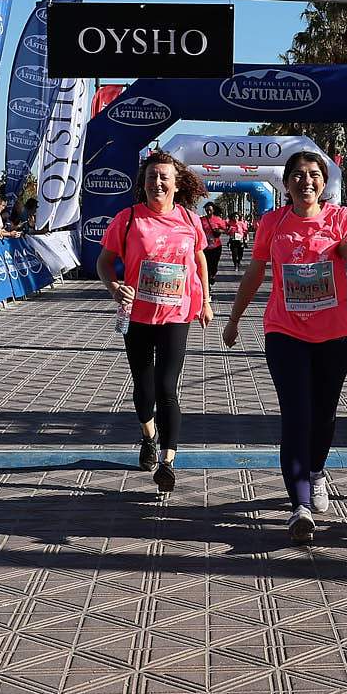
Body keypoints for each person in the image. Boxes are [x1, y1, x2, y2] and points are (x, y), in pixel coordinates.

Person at [221, 152, 347, 543]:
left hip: (334, 336)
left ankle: (316, 472)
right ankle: (299, 507)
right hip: (284, 332)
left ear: (324, 182)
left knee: (324, 416)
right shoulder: (273, 223)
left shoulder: (340, 217)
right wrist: (234, 319)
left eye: (314, 174)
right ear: (286, 184)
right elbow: (255, 272)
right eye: (297, 175)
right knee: (297, 417)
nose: (306, 181)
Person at [98, 151, 213, 491]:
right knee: (143, 388)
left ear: (176, 184)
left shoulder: (190, 220)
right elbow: (105, 262)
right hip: (137, 315)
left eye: (164, 177)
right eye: (151, 177)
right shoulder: (128, 219)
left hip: (176, 314)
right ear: (143, 183)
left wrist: (206, 301)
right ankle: (148, 436)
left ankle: (167, 461)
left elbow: (199, 261)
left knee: (166, 387)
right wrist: (114, 287)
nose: (157, 183)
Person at [200, 203, 227, 281]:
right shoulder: (201, 220)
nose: (208, 212)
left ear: (213, 210)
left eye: (210, 210)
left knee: (214, 263)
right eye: (207, 210)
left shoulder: (218, 219)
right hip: (205, 246)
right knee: (206, 263)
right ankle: (208, 279)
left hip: (216, 246)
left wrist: (219, 231)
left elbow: (225, 229)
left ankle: (213, 274)